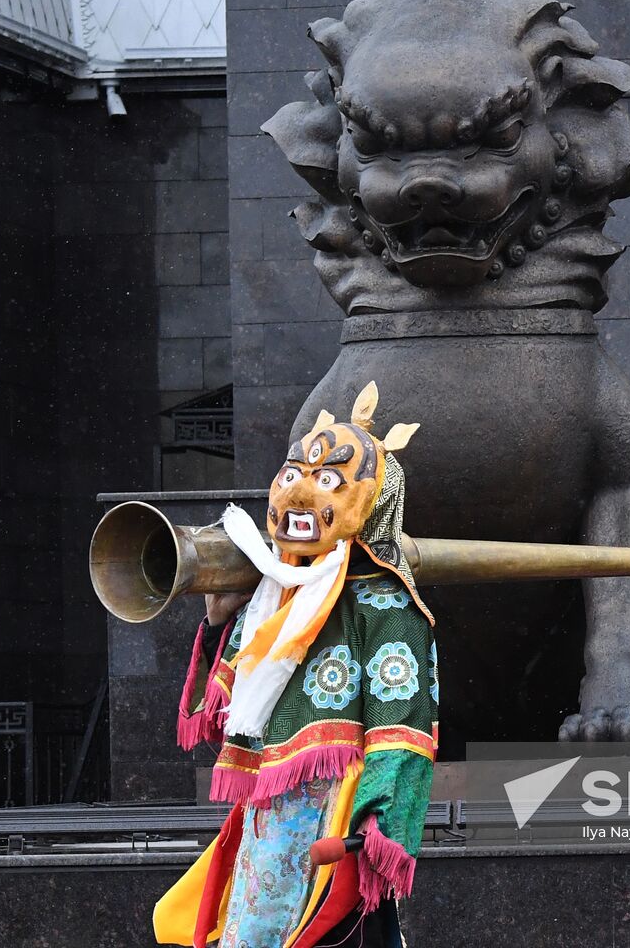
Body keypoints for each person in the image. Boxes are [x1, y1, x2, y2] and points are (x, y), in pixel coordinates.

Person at [153, 383, 437, 948]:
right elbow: (220, 715)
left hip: (334, 810)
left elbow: (401, 727)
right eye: (295, 474)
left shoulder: (386, 603)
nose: (301, 492)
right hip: (270, 807)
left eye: (330, 478)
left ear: (373, 499)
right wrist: (216, 624)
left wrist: (374, 823)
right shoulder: (272, 597)